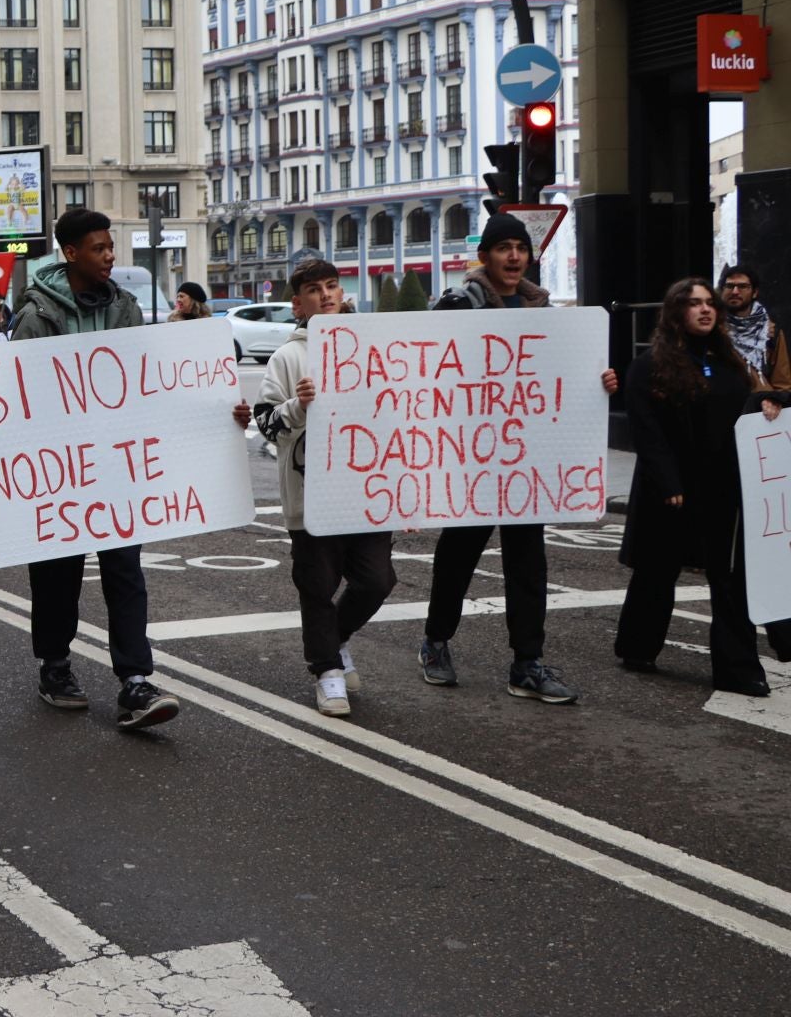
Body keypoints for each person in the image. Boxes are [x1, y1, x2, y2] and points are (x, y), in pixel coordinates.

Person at [11, 208, 252, 730]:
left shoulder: (124, 308)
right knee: (57, 573)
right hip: (61, 469)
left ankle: (134, 682)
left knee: (125, 570)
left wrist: (220, 410)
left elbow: (152, 384)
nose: (110, 256)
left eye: (111, 247)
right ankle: (55, 666)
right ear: (70, 253)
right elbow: (16, 399)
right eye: (99, 248)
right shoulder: (35, 317)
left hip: (118, 468)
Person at [424, 213, 620, 702]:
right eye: (504, 247)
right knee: (458, 556)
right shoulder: (457, 304)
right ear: (485, 256)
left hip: (525, 465)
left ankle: (527, 663)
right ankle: (436, 640)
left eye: (520, 248)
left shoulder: (544, 309)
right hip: (474, 459)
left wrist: (599, 384)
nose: (513, 256)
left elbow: (559, 378)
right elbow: (429, 371)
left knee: (529, 564)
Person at [616, 279, 791, 694]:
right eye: (693, 304)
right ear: (676, 312)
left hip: (723, 488)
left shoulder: (729, 361)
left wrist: (769, 403)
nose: (705, 310)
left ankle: (739, 670)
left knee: (730, 580)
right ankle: (637, 647)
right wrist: (668, 481)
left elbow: (751, 403)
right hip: (670, 491)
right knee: (656, 573)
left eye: (709, 303)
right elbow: (647, 430)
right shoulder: (650, 364)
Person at [254, 260, 396, 716]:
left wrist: (408, 491)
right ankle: (327, 671)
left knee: (377, 581)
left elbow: (401, 419)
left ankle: (330, 643)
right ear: (298, 303)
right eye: (315, 290)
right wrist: (299, 404)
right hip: (310, 497)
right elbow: (266, 425)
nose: (327, 295)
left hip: (367, 494)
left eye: (332, 286)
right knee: (317, 584)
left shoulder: (374, 347)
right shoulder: (287, 357)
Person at [718, 265, 791, 388]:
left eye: (742, 286)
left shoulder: (770, 332)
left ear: (754, 292)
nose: (735, 291)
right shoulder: (712, 329)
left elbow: (782, 383)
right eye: (729, 286)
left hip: (759, 404)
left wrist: (774, 400)